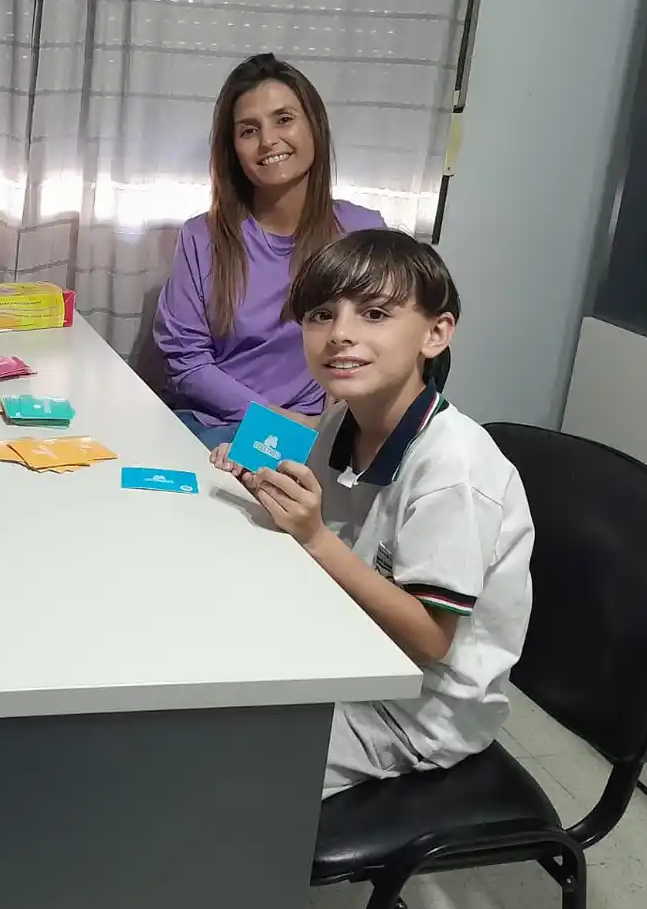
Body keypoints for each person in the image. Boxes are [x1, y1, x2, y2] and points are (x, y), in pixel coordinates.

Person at [211, 229, 533, 798]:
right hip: (346, 647)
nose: (340, 334)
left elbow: (432, 641)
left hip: (415, 709)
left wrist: (313, 538)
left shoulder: (452, 470)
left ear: (436, 333)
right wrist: (264, 481)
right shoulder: (344, 419)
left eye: (376, 313)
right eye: (320, 314)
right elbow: (331, 514)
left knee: (218, 768)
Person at [154, 54, 387, 448]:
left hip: (324, 433)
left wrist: (330, 426)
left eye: (284, 119)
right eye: (248, 130)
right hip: (217, 425)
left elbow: (380, 345)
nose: (268, 141)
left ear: (314, 126)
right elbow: (187, 363)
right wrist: (282, 423)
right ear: (233, 150)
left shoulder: (362, 232)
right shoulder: (202, 237)